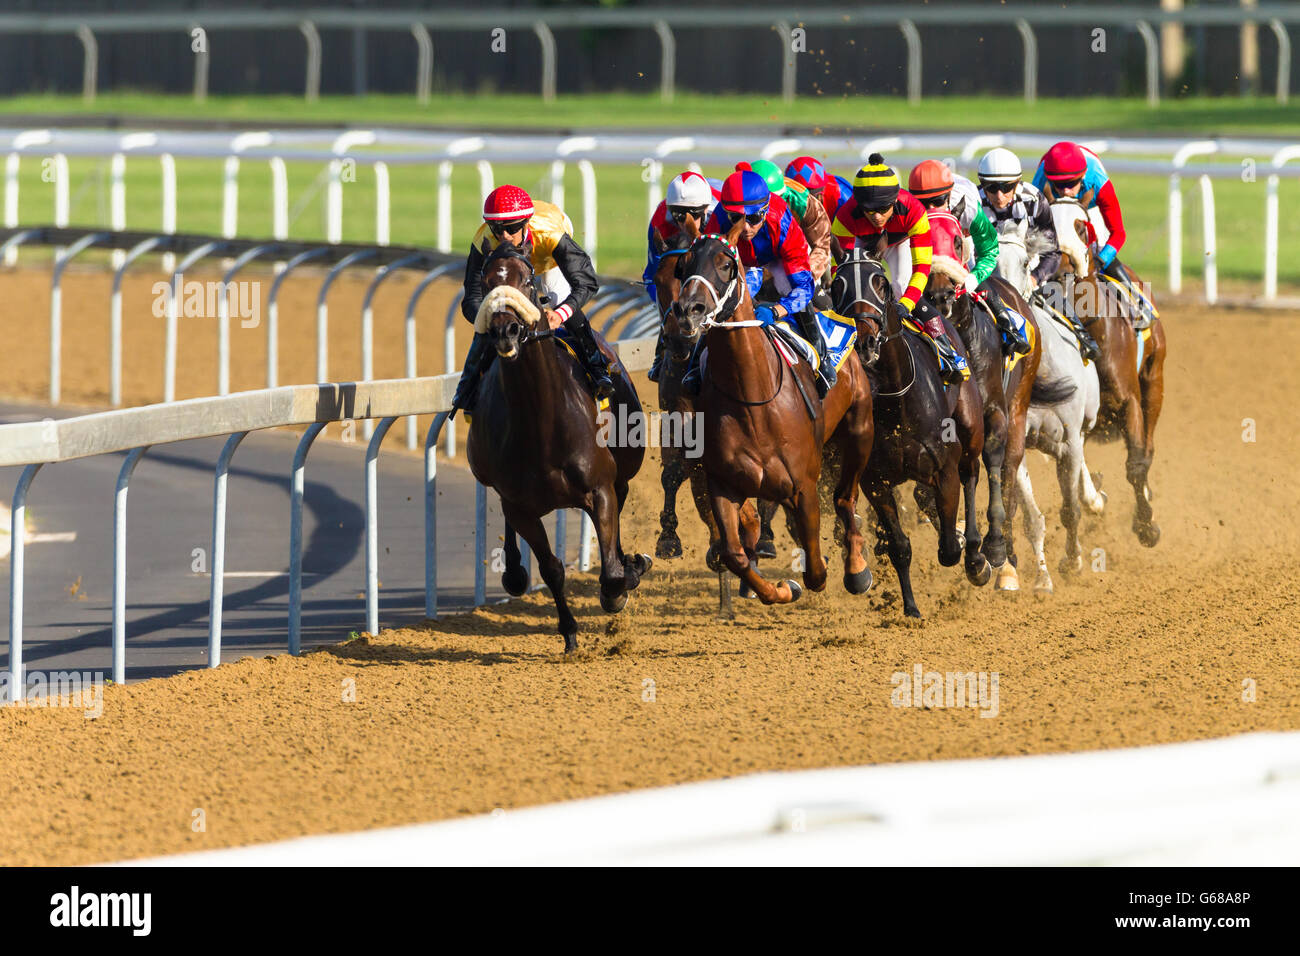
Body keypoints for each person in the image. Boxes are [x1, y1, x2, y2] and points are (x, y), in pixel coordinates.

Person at [451, 184, 612, 415]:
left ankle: (598, 370)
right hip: (508, 265)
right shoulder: (484, 240)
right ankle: (466, 387)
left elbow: (586, 281)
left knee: (556, 297)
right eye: (497, 228)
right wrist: (488, 318)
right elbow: (472, 297)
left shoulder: (550, 235)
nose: (505, 236)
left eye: (512, 228)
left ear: (525, 222)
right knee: (493, 312)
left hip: (546, 255)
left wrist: (560, 314)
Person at [681, 169, 832, 397]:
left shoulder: (781, 221)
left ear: (765, 210)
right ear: (726, 213)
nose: (746, 228)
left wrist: (777, 310)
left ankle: (822, 360)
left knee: (792, 290)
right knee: (721, 304)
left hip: (779, 258)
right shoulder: (719, 220)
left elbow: (804, 287)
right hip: (745, 263)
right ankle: (695, 365)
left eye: (753, 219)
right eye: (737, 220)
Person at [831, 153, 969, 384]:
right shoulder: (845, 216)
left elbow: (922, 268)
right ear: (858, 205)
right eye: (869, 210)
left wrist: (907, 303)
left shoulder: (914, 211)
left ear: (895, 201)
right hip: (861, 244)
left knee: (901, 286)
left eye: (883, 209)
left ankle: (946, 351)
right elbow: (840, 271)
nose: (876, 216)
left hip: (899, 243)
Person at [979, 146, 1097, 359]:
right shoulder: (974, 202)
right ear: (982, 184)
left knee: (1052, 296)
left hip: (1027, 268)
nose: (999, 196)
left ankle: (1084, 338)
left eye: (1006, 188)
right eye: (991, 187)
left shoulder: (1034, 200)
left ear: (1017, 183)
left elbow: (1052, 252)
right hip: (984, 274)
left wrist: (1035, 278)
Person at [910, 158, 1029, 355]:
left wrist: (973, 278)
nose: (932, 208)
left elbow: (989, 250)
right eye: (923, 203)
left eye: (938, 202)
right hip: (925, 247)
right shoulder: (905, 209)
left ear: (948, 196)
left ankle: (1009, 325)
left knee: (970, 274)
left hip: (962, 238)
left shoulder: (969, 208)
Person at [1031, 140, 1154, 329]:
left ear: (1082, 177)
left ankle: (1135, 302)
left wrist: (1100, 260)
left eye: (1071, 184)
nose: (1065, 191)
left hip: (1090, 206)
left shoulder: (1098, 182)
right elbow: (1032, 230)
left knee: (1099, 246)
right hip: (1053, 205)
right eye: (1059, 185)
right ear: (1050, 181)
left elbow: (1118, 233)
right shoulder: (1040, 184)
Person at [643, 170, 721, 382]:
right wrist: (672, 312)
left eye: (694, 215)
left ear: (705, 209)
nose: (685, 223)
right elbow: (651, 276)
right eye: (678, 216)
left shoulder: (720, 215)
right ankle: (662, 347)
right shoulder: (660, 222)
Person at [741, 160, 832, 286]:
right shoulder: (735, 202)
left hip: (794, 251)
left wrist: (805, 278)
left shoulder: (805, 204)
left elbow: (821, 246)